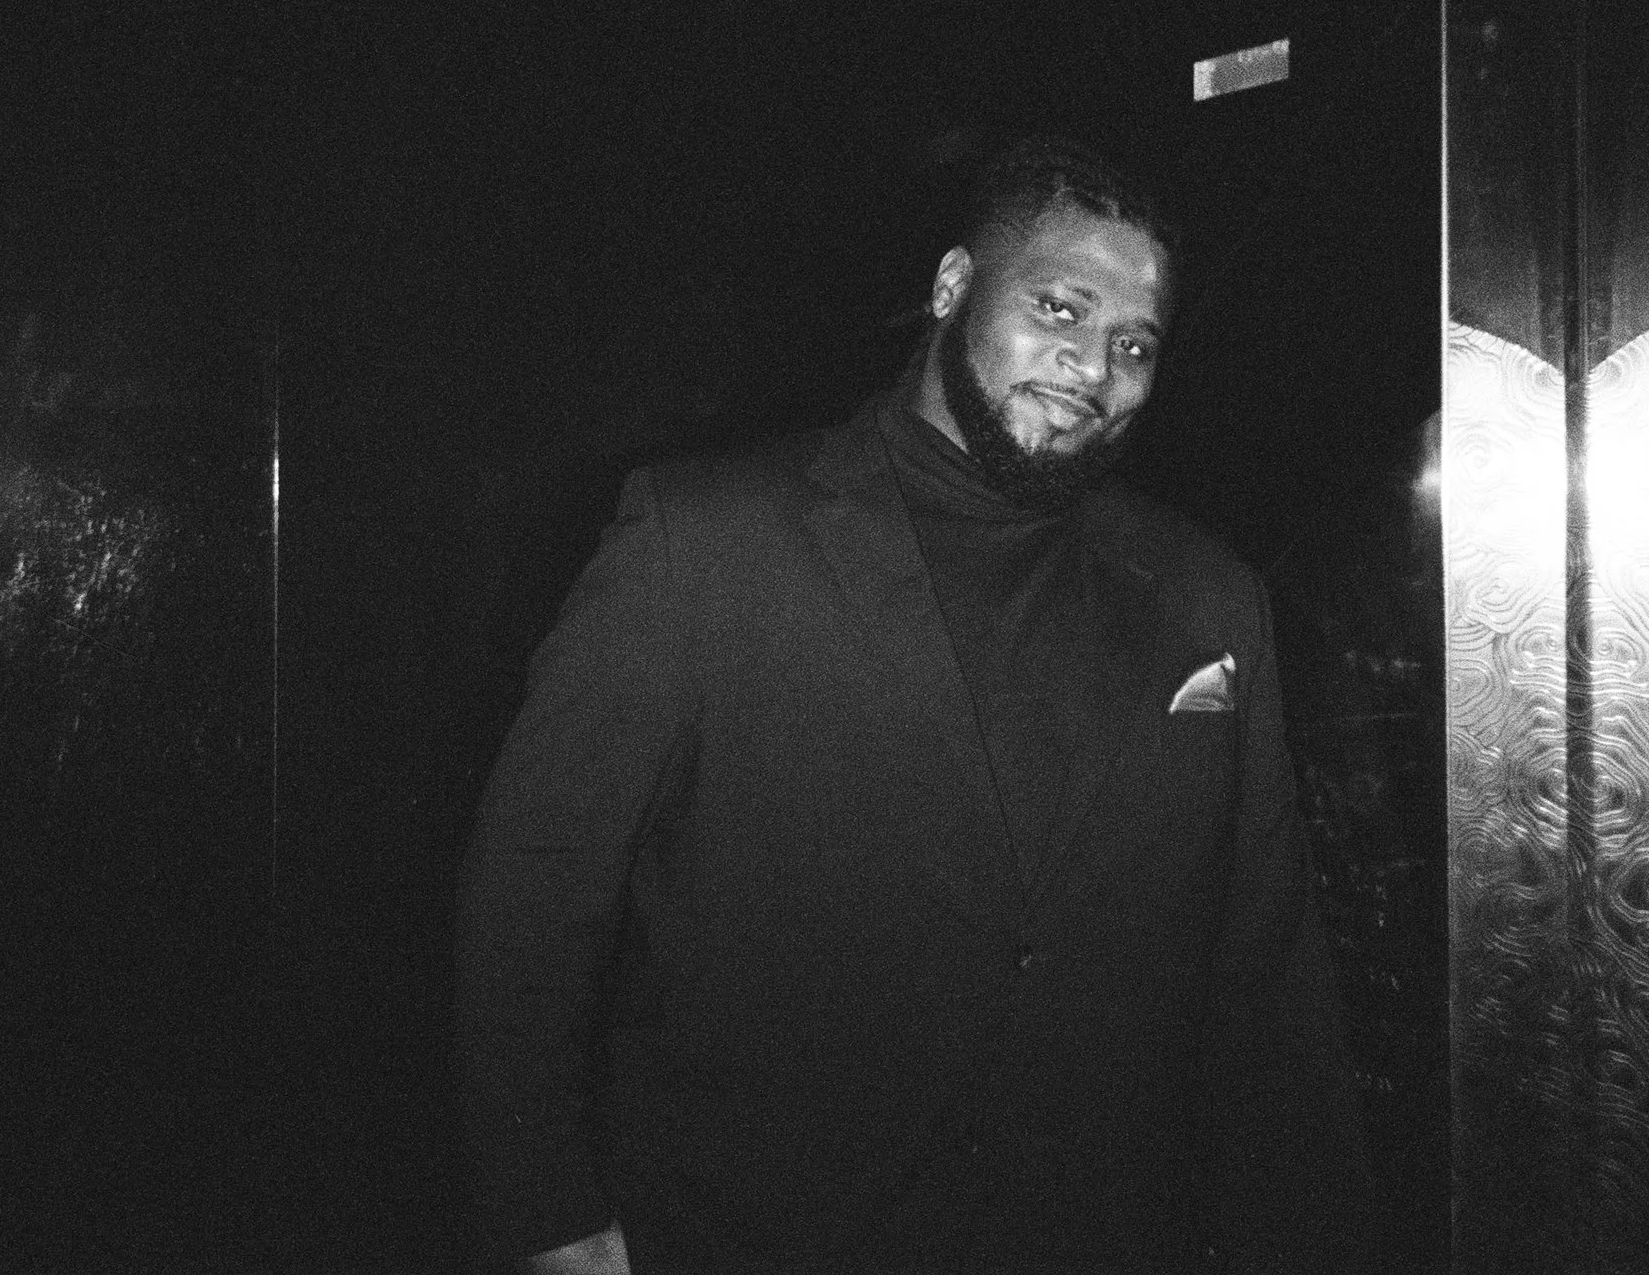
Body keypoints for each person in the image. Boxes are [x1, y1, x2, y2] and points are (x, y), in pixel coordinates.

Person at [457, 137, 1372, 1274]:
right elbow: (531, 901)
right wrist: (548, 1212)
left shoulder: (1207, 595)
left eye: (1134, 344)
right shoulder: (701, 544)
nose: (1092, 366)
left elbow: (1268, 976)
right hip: (760, 1232)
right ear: (951, 288)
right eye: (1058, 308)